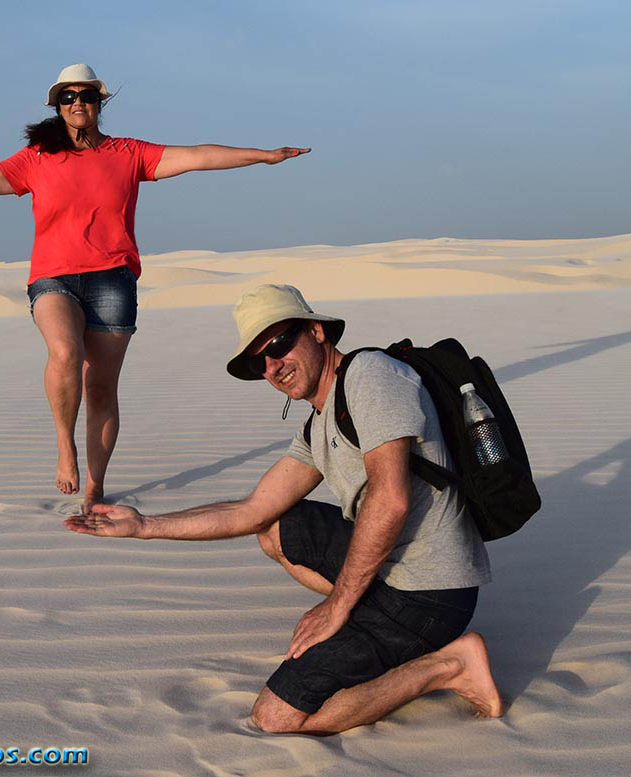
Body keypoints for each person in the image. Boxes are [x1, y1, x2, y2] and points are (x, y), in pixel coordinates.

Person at [0, 64, 309, 512]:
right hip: (53, 276)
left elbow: (197, 156)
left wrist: (263, 155)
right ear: (56, 104)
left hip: (112, 278)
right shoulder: (35, 158)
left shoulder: (129, 153)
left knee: (102, 388)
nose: (78, 103)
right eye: (68, 96)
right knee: (65, 353)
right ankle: (63, 446)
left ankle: (95, 485)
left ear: (99, 102)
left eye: (86, 96)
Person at [65, 284, 503, 734]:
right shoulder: (322, 419)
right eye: (260, 362)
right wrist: (143, 525)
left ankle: (451, 664)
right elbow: (253, 509)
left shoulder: (371, 376)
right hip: (391, 568)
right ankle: (370, 618)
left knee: (276, 717)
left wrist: (337, 605)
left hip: (428, 591)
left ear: (316, 331)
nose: (274, 367)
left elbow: (390, 500)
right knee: (276, 527)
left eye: (278, 345)